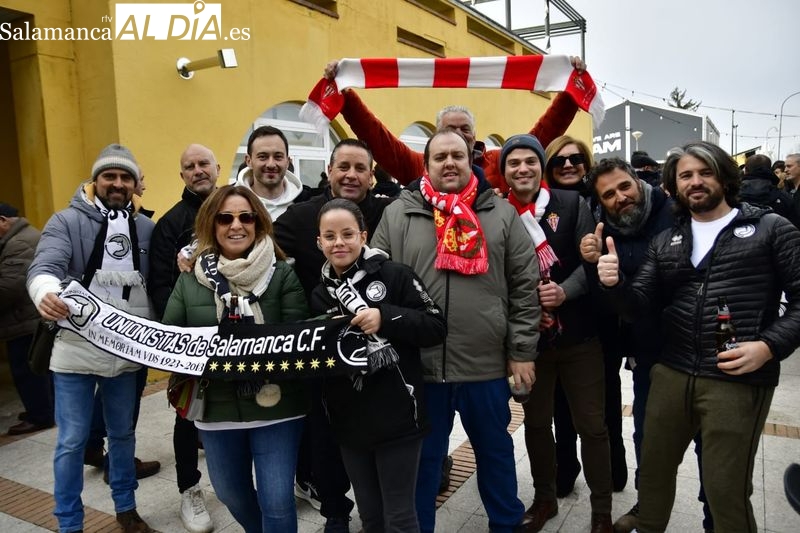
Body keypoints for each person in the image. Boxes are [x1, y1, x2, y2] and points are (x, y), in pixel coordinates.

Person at [596, 141, 800, 532]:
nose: (696, 182)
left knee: (726, 489)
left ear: (724, 175)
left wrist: (769, 346)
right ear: (673, 186)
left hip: (736, 379)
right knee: (653, 473)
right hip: (672, 371)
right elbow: (636, 305)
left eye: (705, 172)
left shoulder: (771, 228)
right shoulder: (668, 239)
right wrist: (614, 282)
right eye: (686, 175)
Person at [371, 129, 539, 533]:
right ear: (426, 165)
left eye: (458, 156)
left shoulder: (501, 214)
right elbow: (374, 283)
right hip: (420, 368)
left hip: (485, 366)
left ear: (471, 162)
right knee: (424, 463)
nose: (449, 163)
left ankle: (506, 525)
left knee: (496, 456)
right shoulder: (399, 213)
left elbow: (524, 285)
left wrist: (521, 350)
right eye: (440, 156)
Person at [162, 185, 309, 533]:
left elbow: (299, 335)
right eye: (225, 217)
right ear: (212, 224)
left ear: (259, 222)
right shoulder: (190, 279)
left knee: (276, 500)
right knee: (231, 493)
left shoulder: (282, 273)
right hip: (215, 409)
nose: (236, 225)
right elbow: (169, 336)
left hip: (278, 406)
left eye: (246, 216)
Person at [27, 144, 157, 533]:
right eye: (109, 176)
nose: (117, 183)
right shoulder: (66, 221)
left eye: (125, 177)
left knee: (123, 434)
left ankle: (127, 508)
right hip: (76, 349)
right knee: (71, 440)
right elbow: (44, 265)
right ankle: (69, 523)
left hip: (127, 348)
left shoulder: (146, 227)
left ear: (136, 184)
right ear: (95, 180)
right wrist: (44, 292)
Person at [274, 139, 395, 532]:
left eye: (361, 167)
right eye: (343, 166)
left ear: (372, 174)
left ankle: (381, 511)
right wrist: (195, 253)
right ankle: (336, 512)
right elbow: (255, 242)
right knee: (325, 438)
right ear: (328, 171)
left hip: (381, 346)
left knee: (380, 432)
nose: (351, 175)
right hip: (323, 353)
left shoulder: (388, 211)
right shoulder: (299, 216)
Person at [498, 134, 613, 533]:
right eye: (513, 163)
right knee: (534, 425)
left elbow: (590, 263)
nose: (523, 169)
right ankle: (544, 499)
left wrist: (565, 291)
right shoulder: (497, 212)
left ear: (540, 166)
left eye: (530, 161)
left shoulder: (570, 204)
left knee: (592, 427)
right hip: (530, 344)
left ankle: (602, 509)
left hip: (580, 338)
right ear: (504, 172)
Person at [311, 198, 446, 533]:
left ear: (363, 235)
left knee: (399, 516)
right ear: (319, 242)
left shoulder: (394, 275)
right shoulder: (319, 294)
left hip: (398, 415)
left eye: (347, 234)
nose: (338, 242)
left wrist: (385, 317)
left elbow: (435, 327)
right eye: (329, 236)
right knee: (370, 516)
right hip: (350, 420)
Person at [577, 158, 676, 532]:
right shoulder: (605, 231)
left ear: (638, 181)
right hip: (642, 346)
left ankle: (715, 516)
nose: (620, 197)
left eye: (624, 187)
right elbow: (613, 300)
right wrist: (592, 264)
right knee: (646, 430)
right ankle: (647, 505)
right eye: (609, 195)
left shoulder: (674, 214)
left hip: (683, 343)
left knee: (702, 440)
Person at [321, 57, 586, 192]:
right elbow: (375, 136)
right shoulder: (419, 166)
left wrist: (570, 90)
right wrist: (344, 93)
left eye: (465, 129)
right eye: (449, 129)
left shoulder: (501, 163)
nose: (458, 135)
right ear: (436, 136)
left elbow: (544, 133)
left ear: (475, 136)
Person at [148, 143, 220, 533]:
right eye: (189, 166)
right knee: (187, 413)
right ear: (182, 175)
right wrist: (177, 336)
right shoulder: (170, 224)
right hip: (190, 340)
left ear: (217, 167)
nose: (197, 171)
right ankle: (189, 489)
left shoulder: (235, 210)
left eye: (203, 163)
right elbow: (159, 285)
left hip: (237, 333)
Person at [0, 202, 54, 435]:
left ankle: (39, 415)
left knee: (27, 370)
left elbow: (9, 287)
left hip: (25, 319)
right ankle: (44, 410)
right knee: (39, 368)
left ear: (3, 221)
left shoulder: (19, 243)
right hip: (29, 316)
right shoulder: (21, 237)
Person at [234, 125, 315, 220]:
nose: (271, 164)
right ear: (249, 161)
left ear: (287, 162)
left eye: (278, 157)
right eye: (263, 157)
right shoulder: (228, 202)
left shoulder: (307, 203)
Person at [740, 154, 800, 228]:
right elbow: (794, 229)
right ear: (769, 170)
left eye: (789, 166)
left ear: (745, 170)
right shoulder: (784, 197)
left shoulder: (730, 196)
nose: (785, 170)